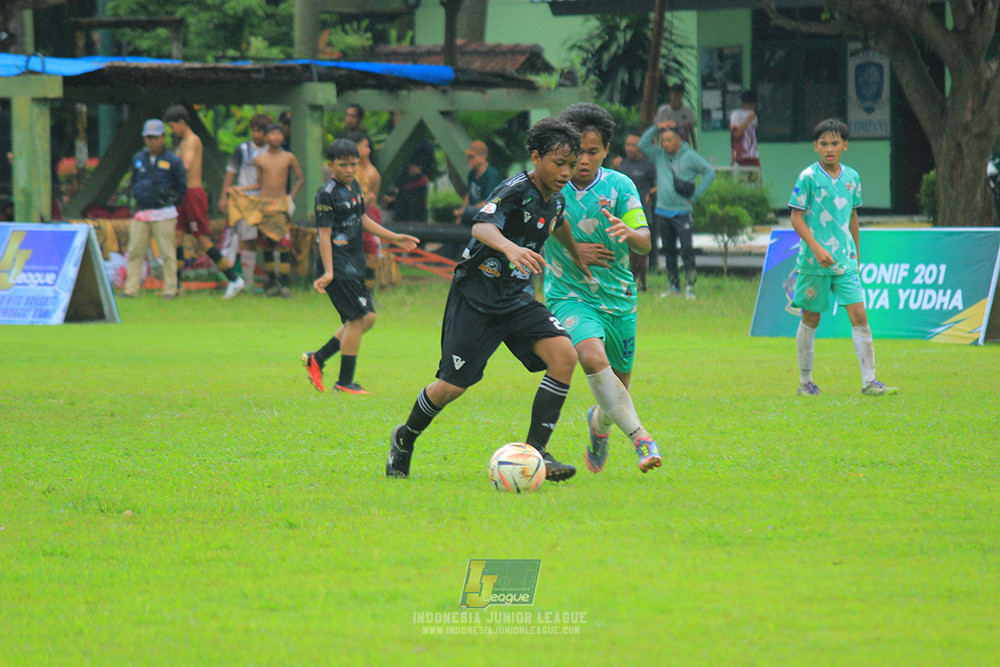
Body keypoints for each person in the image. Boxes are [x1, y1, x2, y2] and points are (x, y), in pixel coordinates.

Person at [386, 118, 593, 481]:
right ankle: (405, 438)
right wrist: (510, 248)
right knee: (452, 386)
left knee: (564, 355)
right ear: (536, 157)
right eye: (559, 164)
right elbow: (481, 225)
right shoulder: (514, 189)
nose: (566, 172)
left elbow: (557, 223)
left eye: (572, 166)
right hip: (476, 296)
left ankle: (536, 453)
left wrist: (578, 258)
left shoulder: (556, 199)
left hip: (516, 298)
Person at [545, 102, 661, 474]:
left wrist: (630, 233)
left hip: (618, 299)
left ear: (605, 151)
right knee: (592, 359)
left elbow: (644, 240)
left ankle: (599, 425)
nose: (583, 161)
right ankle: (642, 439)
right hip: (568, 295)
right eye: (577, 152)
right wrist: (572, 249)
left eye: (592, 152)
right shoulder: (548, 186)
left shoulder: (620, 186)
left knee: (618, 390)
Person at [789, 118, 898, 397]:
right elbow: (795, 217)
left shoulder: (852, 178)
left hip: (845, 261)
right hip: (814, 262)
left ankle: (870, 381)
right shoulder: (807, 178)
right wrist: (816, 247)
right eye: (823, 143)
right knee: (811, 318)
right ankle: (805, 382)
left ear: (845, 145)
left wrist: (856, 255)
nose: (829, 148)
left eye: (835, 143)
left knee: (860, 315)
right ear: (815, 146)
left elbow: (852, 216)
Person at [302, 139, 420, 394]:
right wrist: (329, 271)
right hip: (338, 265)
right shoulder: (326, 193)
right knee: (358, 319)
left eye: (354, 165)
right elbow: (324, 234)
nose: (349, 170)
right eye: (343, 165)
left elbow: (363, 219)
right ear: (330, 165)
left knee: (366, 319)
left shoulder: (355, 185)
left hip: (354, 263)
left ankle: (318, 358)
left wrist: (394, 237)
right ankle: (344, 383)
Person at [162, 104, 245, 299]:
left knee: (202, 241)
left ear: (182, 123)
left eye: (173, 126)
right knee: (177, 238)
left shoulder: (192, 140)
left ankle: (234, 279)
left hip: (193, 194)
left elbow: (187, 165)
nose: (172, 131)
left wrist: (165, 165)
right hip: (183, 195)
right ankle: (177, 284)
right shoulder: (183, 142)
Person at [639, 122, 715, 300]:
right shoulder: (659, 155)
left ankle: (690, 287)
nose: (665, 144)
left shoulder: (690, 156)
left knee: (687, 250)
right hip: (663, 211)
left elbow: (709, 173)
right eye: (663, 140)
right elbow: (643, 144)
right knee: (669, 250)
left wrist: (695, 196)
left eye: (669, 140)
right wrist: (657, 128)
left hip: (682, 212)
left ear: (679, 140)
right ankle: (674, 287)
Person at [231, 123, 305, 297]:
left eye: (279, 134)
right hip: (264, 206)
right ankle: (271, 284)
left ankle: (285, 285)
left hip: (280, 206)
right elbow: (259, 183)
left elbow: (300, 178)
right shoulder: (260, 159)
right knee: (267, 247)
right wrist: (241, 189)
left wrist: (290, 197)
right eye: (272, 134)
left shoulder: (289, 157)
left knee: (283, 246)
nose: (276, 138)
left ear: (283, 136)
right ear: (266, 137)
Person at [123, 119, 186, 299]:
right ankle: (131, 289)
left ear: (163, 138)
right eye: (149, 138)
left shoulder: (173, 161)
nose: (152, 141)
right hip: (142, 211)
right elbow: (135, 181)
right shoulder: (138, 159)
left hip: (164, 212)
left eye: (156, 137)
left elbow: (181, 186)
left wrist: (170, 200)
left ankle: (170, 289)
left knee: (167, 252)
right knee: (135, 251)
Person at [218, 113, 272, 291]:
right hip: (246, 201)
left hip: (267, 201)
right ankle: (248, 283)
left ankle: (273, 280)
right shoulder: (242, 149)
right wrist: (224, 197)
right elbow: (230, 173)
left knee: (269, 240)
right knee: (247, 240)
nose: (256, 135)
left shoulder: (274, 150)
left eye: (261, 131)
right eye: (254, 131)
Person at [615, 130, 658, 291]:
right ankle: (629, 280)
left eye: (634, 145)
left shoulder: (648, 165)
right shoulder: (622, 165)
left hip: (643, 212)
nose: (630, 148)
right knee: (626, 250)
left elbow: (659, 183)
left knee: (641, 251)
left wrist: (651, 193)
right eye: (628, 145)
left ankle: (643, 280)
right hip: (623, 213)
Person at [345, 131, 383, 287]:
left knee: (370, 252)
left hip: (367, 215)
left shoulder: (370, 173)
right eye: (365, 146)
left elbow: (366, 199)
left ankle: (368, 292)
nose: (369, 149)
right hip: (356, 213)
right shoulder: (355, 170)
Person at [382, 111, 434, 223]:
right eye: (395, 115)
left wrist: (420, 166)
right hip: (399, 191)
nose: (397, 119)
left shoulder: (421, 142)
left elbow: (428, 161)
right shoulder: (393, 140)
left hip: (415, 189)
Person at [454, 140, 503, 226]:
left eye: (471, 157)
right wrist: (462, 211)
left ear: (483, 157)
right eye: (468, 156)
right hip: (472, 214)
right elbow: (469, 194)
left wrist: (466, 212)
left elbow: (489, 202)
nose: (468, 159)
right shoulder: (472, 174)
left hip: (487, 217)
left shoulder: (491, 175)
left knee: (469, 211)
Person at [654, 82, 698, 149]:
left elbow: (691, 130)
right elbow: (657, 130)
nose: (677, 98)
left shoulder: (688, 111)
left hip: (683, 147)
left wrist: (695, 148)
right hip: (667, 147)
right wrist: (656, 146)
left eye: (679, 95)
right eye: (675, 95)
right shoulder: (663, 111)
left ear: (682, 96)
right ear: (670, 95)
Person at [730, 90, 760, 170]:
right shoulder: (736, 115)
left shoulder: (754, 117)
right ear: (743, 104)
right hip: (739, 154)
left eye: (753, 106)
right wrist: (748, 120)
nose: (751, 108)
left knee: (756, 178)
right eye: (749, 106)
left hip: (753, 155)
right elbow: (737, 134)